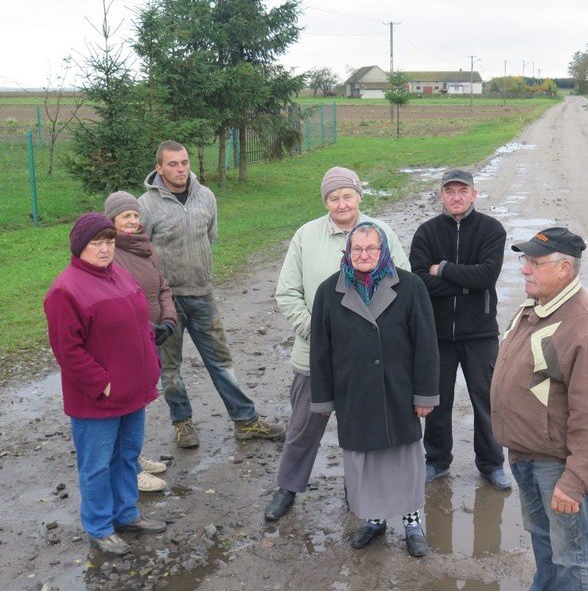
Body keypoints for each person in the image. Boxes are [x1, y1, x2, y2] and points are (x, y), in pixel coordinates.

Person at [266, 166, 410, 521]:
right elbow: (287, 292)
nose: (341, 203)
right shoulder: (306, 235)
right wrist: (314, 332)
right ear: (325, 201)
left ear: (359, 197)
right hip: (314, 356)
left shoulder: (382, 233)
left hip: (367, 359)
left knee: (361, 429)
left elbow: (403, 286)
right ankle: (288, 486)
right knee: (303, 425)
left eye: (347, 195)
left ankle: (358, 493)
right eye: (334, 197)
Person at [490, 227, 588, 590]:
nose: (524, 270)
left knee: (573, 560)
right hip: (526, 454)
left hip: (556, 465)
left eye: (535, 262)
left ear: (565, 269)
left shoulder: (587, 327)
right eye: (525, 260)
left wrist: (574, 481)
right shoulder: (537, 307)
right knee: (545, 544)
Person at [139, 140, 284, 448]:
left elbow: (210, 236)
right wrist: (157, 296)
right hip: (166, 301)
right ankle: (183, 423)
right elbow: (143, 252)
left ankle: (245, 421)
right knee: (170, 368)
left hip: (202, 294)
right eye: (173, 164)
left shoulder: (206, 196)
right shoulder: (146, 206)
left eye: (184, 162)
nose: (180, 169)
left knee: (221, 360)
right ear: (159, 168)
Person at [310, 222, 439, 557]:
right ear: (347, 252)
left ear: (384, 252)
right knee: (363, 462)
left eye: (371, 249)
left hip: (398, 390)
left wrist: (425, 394)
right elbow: (320, 350)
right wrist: (323, 398)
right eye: (357, 249)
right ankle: (374, 520)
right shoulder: (329, 291)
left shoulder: (409, 286)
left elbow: (427, 342)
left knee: (404, 462)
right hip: (354, 392)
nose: (363, 255)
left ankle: (412, 521)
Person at [44, 213, 168, 556]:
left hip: (134, 391)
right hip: (97, 399)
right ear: (79, 247)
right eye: (96, 243)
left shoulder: (120, 274)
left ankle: (126, 513)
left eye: (109, 241)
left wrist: (151, 366)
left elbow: (142, 323)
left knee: (127, 456)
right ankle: (99, 527)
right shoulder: (65, 290)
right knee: (97, 464)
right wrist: (102, 384)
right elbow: (67, 350)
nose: (104, 249)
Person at [409, 168, 511, 490]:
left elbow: (486, 277)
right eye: (449, 191)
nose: (456, 197)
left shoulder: (491, 230)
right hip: (437, 335)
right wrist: (465, 284)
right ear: (441, 195)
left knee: (487, 401)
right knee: (437, 402)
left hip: (480, 334)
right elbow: (419, 282)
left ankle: (492, 464)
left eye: (462, 191)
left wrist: (445, 270)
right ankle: (437, 460)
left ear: (473, 194)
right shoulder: (426, 233)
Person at [104, 190, 177, 493]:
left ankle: (132, 456)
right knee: (126, 401)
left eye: (135, 215)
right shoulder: (110, 252)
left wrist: (169, 319)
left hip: (153, 335)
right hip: (129, 339)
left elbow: (162, 285)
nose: (133, 221)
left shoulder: (145, 247)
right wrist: (148, 327)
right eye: (125, 216)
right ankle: (129, 469)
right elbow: (118, 299)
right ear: (111, 221)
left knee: (141, 399)